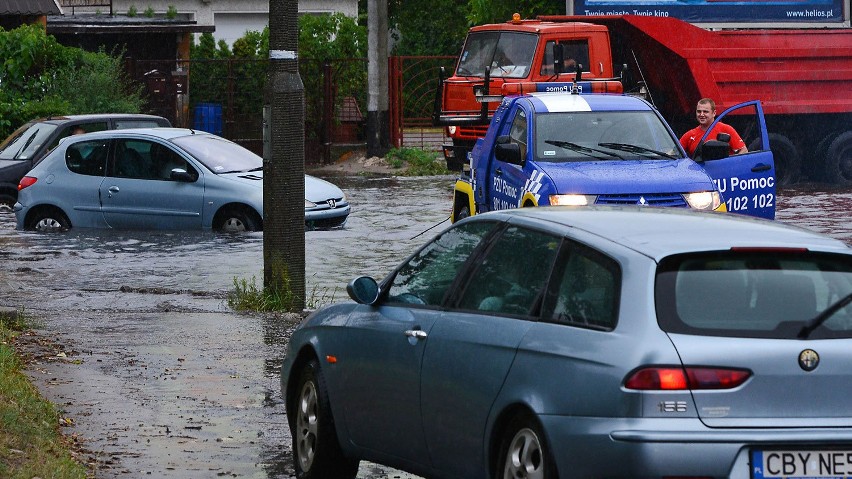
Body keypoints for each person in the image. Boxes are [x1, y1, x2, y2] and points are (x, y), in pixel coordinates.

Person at [680, 98, 748, 157]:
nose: (701, 114)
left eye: (705, 112)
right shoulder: (689, 135)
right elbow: (674, 154)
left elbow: (744, 151)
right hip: (699, 171)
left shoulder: (726, 129)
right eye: (699, 111)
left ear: (714, 113)